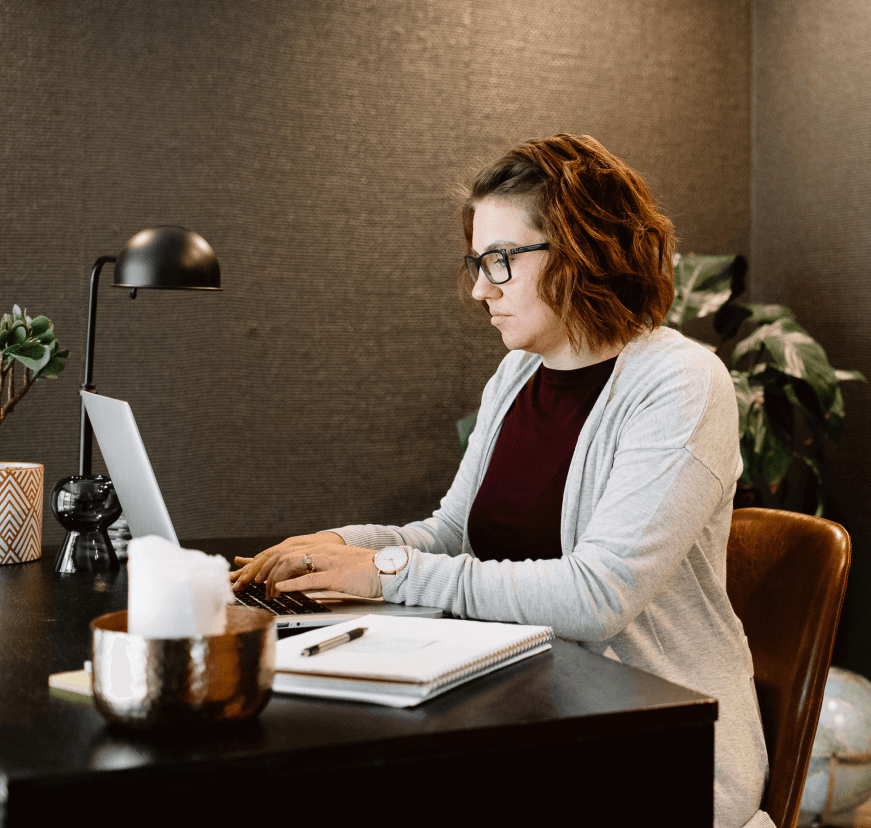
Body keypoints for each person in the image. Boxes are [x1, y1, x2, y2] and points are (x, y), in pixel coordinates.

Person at [231, 134, 774, 828]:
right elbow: (453, 534)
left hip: (660, 744)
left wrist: (385, 572)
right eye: (477, 262)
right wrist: (332, 549)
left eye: (501, 261)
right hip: (528, 703)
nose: (480, 288)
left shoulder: (681, 383)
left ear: (583, 250)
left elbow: (597, 597)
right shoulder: (518, 374)